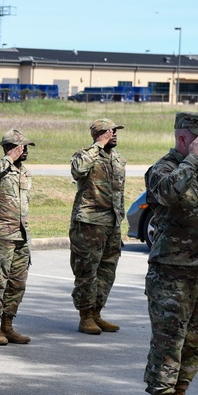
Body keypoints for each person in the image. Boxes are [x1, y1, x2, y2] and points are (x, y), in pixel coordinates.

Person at [143, 112, 198, 395]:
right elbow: (166, 193)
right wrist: (192, 161)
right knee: (169, 339)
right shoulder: (162, 169)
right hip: (171, 271)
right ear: (183, 139)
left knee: (196, 339)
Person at [70, 119, 126, 335]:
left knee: (107, 271)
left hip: (112, 223)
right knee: (87, 271)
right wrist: (97, 146)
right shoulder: (85, 155)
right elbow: (78, 170)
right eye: (109, 131)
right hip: (90, 222)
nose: (114, 134)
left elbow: (119, 193)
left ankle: (96, 313)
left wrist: (119, 218)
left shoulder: (118, 159)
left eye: (115, 131)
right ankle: (85, 316)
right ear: (98, 134)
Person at [0, 129, 35, 346]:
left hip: (22, 236)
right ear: (9, 148)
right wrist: (7, 159)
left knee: (17, 283)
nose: (26, 151)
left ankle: (8, 325)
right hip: (2, 236)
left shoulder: (25, 173)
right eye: (21, 147)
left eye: (27, 147)